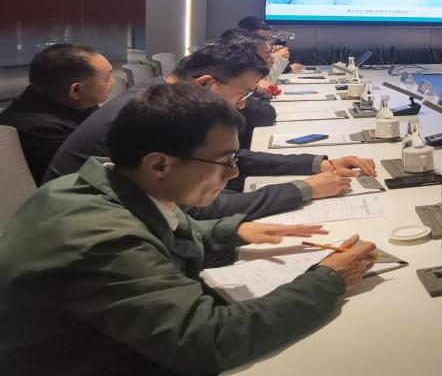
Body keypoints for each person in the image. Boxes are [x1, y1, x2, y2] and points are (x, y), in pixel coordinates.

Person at [0, 83, 379, 375]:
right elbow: (207, 340)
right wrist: (328, 280)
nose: (232, 174)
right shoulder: (104, 241)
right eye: (225, 163)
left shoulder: (100, 182)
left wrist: (230, 232)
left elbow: (161, 233)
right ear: (160, 164)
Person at [46, 40, 374, 221]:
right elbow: (197, 208)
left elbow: (228, 158)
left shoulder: (166, 97)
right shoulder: (154, 113)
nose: (243, 105)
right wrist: (304, 189)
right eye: (241, 94)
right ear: (205, 83)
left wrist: (317, 164)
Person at [0, 44, 114, 180]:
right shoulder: (44, 131)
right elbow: (94, 178)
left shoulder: (50, 100)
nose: (113, 81)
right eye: (107, 78)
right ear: (76, 90)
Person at [238, 15, 304, 77]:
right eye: (264, 38)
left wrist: (277, 49)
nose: (269, 44)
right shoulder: (239, 54)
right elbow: (263, 78)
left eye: (270, 39)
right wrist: (278, 58)